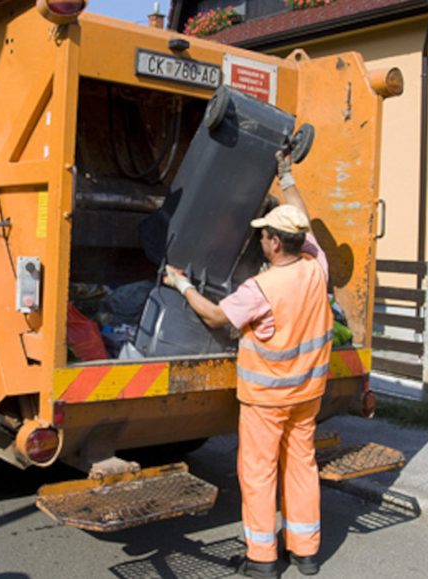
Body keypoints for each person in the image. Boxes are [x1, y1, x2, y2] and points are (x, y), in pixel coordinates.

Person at [163, 150, 331, 578]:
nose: (259, 240)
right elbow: (304, 221)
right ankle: (306, 553)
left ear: (275, 243)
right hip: (307, 395)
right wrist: (288, 177)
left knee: (258, 475)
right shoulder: (316, 267)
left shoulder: (262, 288)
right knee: (301, 466)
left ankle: (262, 560)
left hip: (267, 400)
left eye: (263, 236)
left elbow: (218, 316)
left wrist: (180, 284)